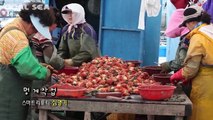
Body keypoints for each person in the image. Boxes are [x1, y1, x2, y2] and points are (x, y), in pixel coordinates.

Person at [0, 2, 56, 120]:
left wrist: (39, 65)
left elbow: (16, 61)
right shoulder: (17, 37)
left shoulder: (10, 28)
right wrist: (45, 72)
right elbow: (28, 69)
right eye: (36, 30)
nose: (35, 33)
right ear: (32, 25)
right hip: (9, 102)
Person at [170, 5, 213, 120]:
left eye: (186, 25)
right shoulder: (211, 30)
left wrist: (177, 75)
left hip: (206, 85)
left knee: (203, 113)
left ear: (191, 22)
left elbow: (191, 68)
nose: (187, 28)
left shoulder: (198, 37)